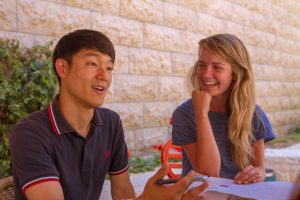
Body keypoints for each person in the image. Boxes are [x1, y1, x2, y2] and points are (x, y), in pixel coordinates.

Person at [9, 29, 207, 200]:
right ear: (62, 68)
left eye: (109, 67)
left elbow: (122, 192)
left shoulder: (110, 123)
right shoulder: (29, 133)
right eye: (92, 64)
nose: (104, 76)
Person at [172, 34, 276, 185]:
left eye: (217, 67)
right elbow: (208, 174)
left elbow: (259, 167)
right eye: (201, 65)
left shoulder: (253, 114)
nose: (206, 73)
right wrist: (201, 114)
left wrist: (257, 173)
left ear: (235, 74)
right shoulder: (184, 114)